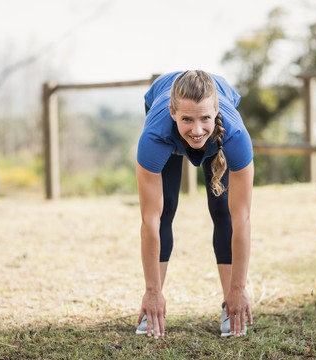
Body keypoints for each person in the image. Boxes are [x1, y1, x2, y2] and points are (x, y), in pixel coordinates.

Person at [135, 70, 254, 339]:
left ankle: (230, 305)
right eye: (187, 118)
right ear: (172, 112)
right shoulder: (154, 137)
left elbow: (242, 219)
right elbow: (149, 220)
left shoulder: (235, 136)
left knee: (222, 209)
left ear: (216, 111)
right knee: (164, 210)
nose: (197, 130)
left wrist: (239, 287)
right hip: (166, 131)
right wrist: (151, 291)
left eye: (205, 119)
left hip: (219, 134)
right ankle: (154, 302)